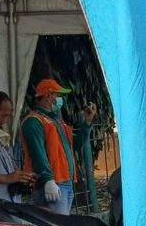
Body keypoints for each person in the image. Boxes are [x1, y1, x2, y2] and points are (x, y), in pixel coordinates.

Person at [18, 78, 94, 215]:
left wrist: (87, 124)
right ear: (48, 95)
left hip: (64, 182)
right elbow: (37, 154)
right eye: (58, 95)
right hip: (52, 184)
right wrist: (48, 180)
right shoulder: (34, 122)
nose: (60, 99)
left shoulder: (55, 121)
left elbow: (74, 146)